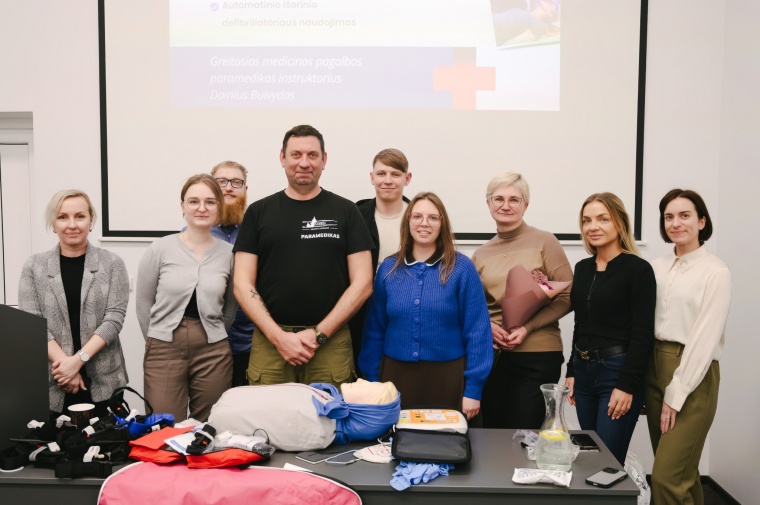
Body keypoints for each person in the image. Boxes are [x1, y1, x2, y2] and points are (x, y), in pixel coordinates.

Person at [233, 124, 374, 387]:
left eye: (312, 155)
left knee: (329, 414)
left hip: (330, 344)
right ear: (282, 158)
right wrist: (278, 338)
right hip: (270, 343)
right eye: (296, 154)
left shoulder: (347, 212)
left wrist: (319, 335)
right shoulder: (258, 212)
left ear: (324, 160)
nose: (304, 163)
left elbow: (363, 283)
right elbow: (242, 284)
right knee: (267, 413)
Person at [359, 192, 492, 422]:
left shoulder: (461, 268)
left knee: (447, 441)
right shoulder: (388, 269)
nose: (424, 223)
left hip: (447, 379)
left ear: (442, 223)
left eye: (432, 217)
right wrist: (372, 382)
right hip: (395, 379)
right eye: (417, 216)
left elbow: (478, 331)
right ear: (408, 221)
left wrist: (473, 389)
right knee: (398, 440)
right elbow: (374, 330)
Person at [645, 189, 731, 505]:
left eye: (685, 215)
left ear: (702, 221)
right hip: (653, 365)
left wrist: (677, 392)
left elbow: (705, 338)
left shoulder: (715, 271)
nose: (675, 223)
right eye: (669, 217)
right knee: (684, 473)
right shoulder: (655, 266)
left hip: (692, 372)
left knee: (667, 477)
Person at [471, 172, 572, 429]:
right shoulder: (480, 254)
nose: (506, 205)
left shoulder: (545, 241)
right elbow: (473, 308)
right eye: (499, 199)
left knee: (523, 435)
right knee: (492, 432)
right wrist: (488, 327)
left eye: (514, 200)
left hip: (538, 356)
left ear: (525, 204)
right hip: (494, 356)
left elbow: (567, 295)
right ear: (488, 203)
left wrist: (528, 327)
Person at [18, 190, 129, 419]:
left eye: (80, 216)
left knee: (107, 440)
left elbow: (114, 319)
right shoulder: (34, 266)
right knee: (54, 440)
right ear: (53, 223)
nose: (72, 225)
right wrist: (66, 367)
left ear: (91, 221)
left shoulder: (112, 263)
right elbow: (32, 323)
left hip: (104, 380)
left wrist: (78, 361)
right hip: (54, 379)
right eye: (62, 217)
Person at [564, 192, 656, 465]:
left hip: (616, 373)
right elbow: (580, 323)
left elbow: (642, 334)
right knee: (588, 457)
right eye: (587, 220)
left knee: (608, 462)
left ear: (620, 223)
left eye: (603, 219)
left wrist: (627, 385)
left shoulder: (638, 269)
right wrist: (571, 370)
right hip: (583, 373)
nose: (593, 227)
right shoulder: (582, 268)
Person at [137, 174, 236, 422]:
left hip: (213, 351)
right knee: (163, 425)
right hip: (163, 348)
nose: (202, 208)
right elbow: (143, 305)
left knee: (210, 425)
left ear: (219, 206)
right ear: (182, 206)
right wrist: (157, 340)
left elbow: (231, 308)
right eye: (194, 201)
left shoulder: (230, 254)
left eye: (210, 202)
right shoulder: (160, 249)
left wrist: (214, 334)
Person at [349, 148, 412, 373]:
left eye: (395, 174)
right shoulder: (356, 215)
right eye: (381, 173)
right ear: (372, 177)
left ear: (407, 178)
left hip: (407, 309)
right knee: (366, 372)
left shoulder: (419, 216)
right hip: (363, 311)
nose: (387, 180)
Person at [210, 160, 256, 387]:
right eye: (221, 182)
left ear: (245, 189)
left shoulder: (259, 229)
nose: (229, 188)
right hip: (209, 343)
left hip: (253, 343)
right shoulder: (194, 233)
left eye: (236, 182)